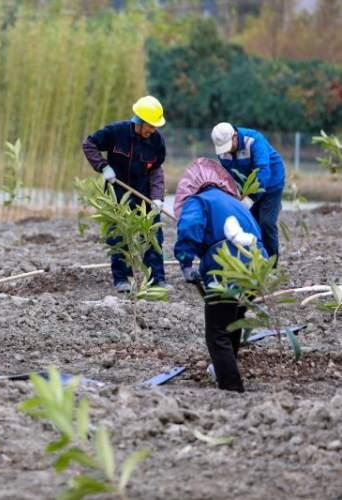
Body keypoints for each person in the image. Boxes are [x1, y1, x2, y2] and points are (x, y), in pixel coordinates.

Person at [173, 157, 268, 393]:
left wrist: (185, 261)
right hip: (255, 266)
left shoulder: (198, 201)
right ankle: (225, 370)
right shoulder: (234, 203)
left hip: (225, 265)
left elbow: (189, 227)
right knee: (233, 323)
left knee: (216, 333)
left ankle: (231, 387)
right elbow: (258, 233)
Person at [82, 95, 168, 292]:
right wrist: (103, 166)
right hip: (118, 194)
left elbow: (156, 170)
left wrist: (157, 197)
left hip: (144, 195)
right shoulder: (116, 132)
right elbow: (89, 145)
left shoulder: (156, 141)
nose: (152, 130)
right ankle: (122, 279)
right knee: (118, 236)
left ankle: (157, 279)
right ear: (139, 120)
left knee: (152, 234)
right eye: (150, 126)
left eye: (155, 126)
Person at [210, 122, 285, 261]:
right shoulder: (223, 153)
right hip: (246, 189)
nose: (226, 151)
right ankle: (254, 261)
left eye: (228, 146)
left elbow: (263, 171)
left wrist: (251, 197)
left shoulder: (254, 141)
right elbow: (229, 176)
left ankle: (271, 265)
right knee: (250, 224)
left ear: (235, 136)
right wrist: (234, 195)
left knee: (267, 223)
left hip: (271, 184)